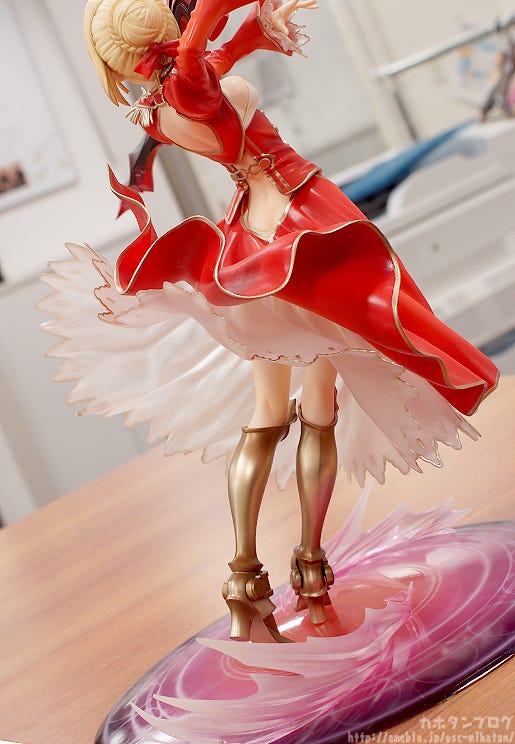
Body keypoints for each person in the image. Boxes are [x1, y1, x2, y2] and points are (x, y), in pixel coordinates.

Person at [43, 0, 498, 643]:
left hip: (252, 237)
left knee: (280, 412)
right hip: (293, 228)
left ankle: (256, 577)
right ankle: (302, 566)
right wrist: (228, 11)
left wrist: (257, 27)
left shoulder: (163, 103)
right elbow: (202, 52)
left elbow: (212, 59)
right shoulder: (187, 83)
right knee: (316, 406)